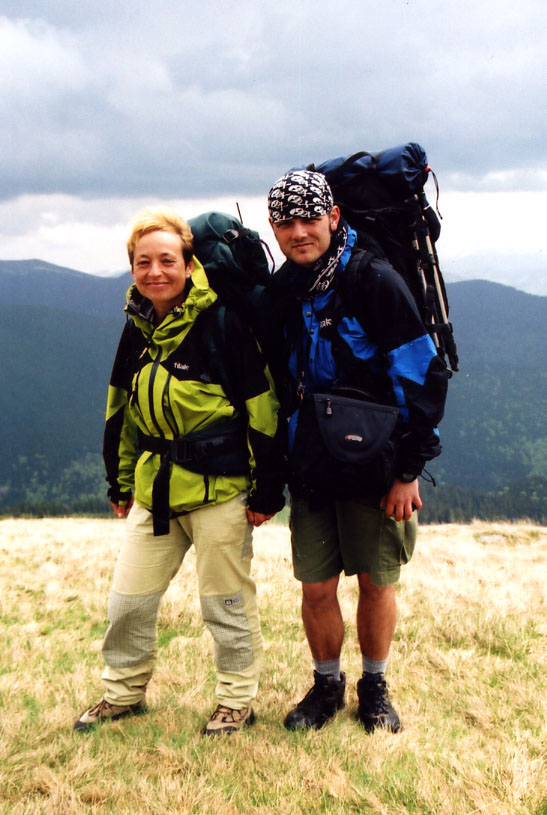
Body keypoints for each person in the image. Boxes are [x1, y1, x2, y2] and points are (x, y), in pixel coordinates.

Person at [74, 207, 285, 736]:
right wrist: (120, 481)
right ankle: (123, 695)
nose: (155, 272)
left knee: (226, 604)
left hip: (221, 490)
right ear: (133, 269)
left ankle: (236, 701)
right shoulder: (137, 327)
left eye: (167, 260)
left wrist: (267, 489)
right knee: (128, 600)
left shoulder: (223, 323)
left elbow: (262, 410)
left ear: (189, 266)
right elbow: (121, 411)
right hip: (156, 490)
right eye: (144, 262)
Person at [267, 170, 448, 733]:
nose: (298, 232)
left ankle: (374, 687)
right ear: (273, 227)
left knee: (376, 580)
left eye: (309, 218)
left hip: (378, 463)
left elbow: (423, 374)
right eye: (286, 222)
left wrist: (409, 470)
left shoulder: (373, 280)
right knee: (316, 586)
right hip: (313, 462)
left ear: (334, 216)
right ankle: (327, 686)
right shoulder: (285, 288)